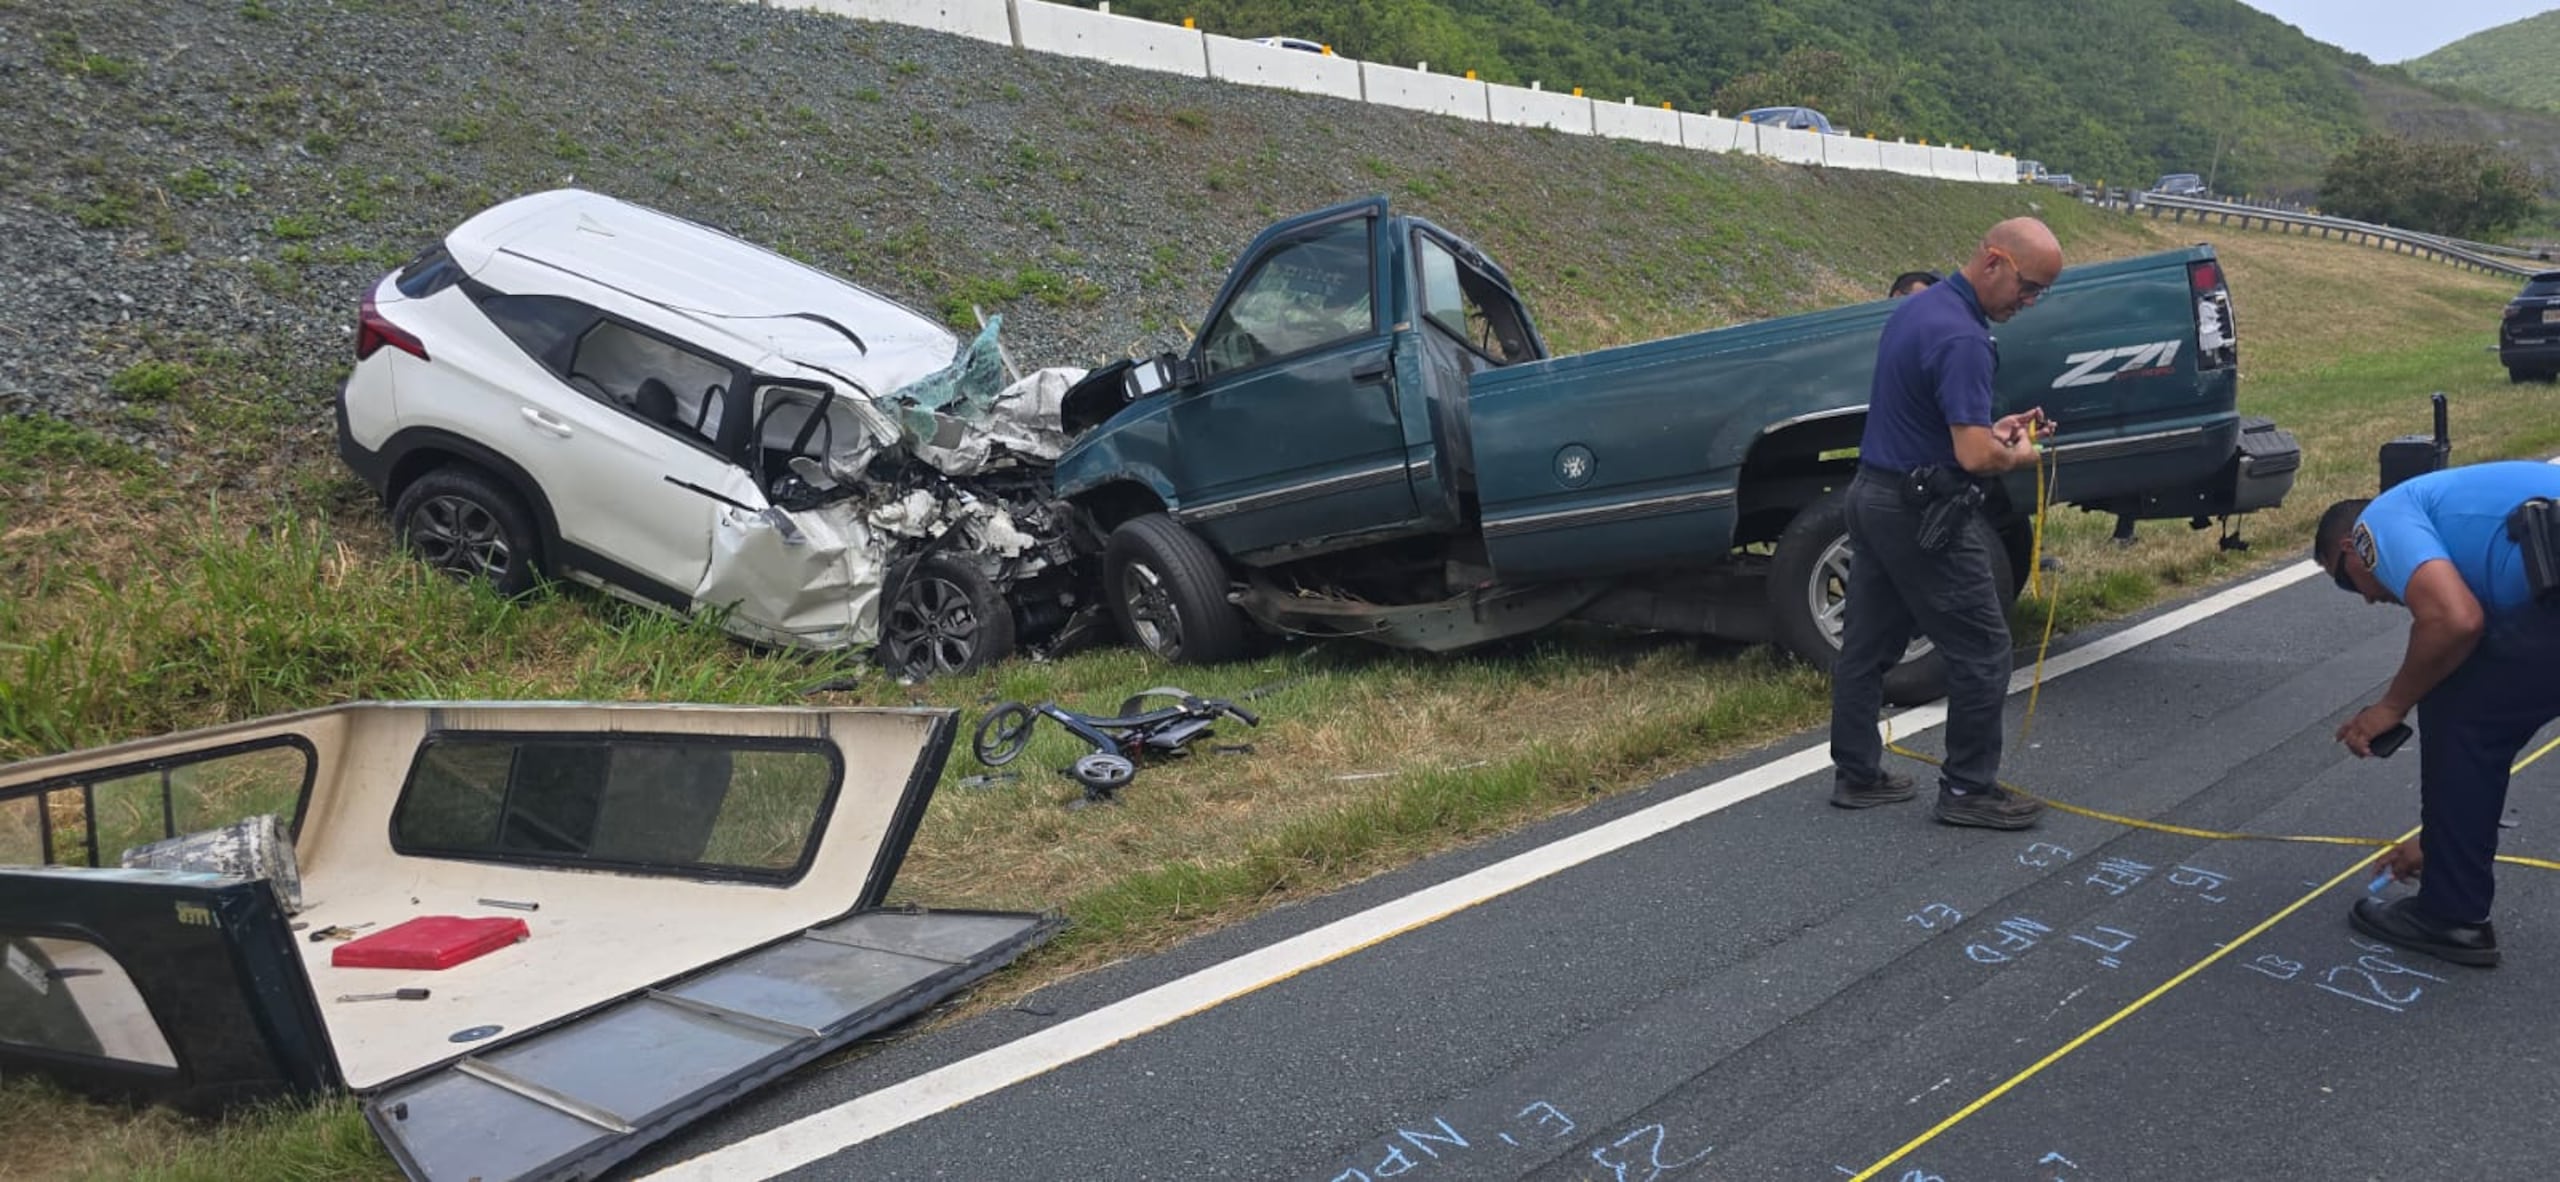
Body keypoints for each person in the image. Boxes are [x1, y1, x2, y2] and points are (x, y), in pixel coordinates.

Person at [1829, 219, 2062, 828]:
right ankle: (1967, 791)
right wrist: (2017, 452)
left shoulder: (1919, 307)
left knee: (1867, 647)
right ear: (1994, 262)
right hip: (1919, 512)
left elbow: (1940, 420)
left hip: (1871, 492)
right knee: (1983, 649)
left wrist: (1997, 427)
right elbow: (1975, 457)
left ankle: (1856, 774)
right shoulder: (1964, 339)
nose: (2030, 302)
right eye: (2029, 286)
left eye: (2041, 293)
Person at [2316, 461, 2560, 968]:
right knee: (2483, 692)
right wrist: (2443, 840)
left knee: (2458, 709)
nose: (2364, 597)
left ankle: (2451, 914)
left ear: (2349, 550)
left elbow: (2453, 619)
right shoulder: (2446, 506)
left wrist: (2390, 706)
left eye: (2345, 582)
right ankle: (2451, 861)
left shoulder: (2377, 522)